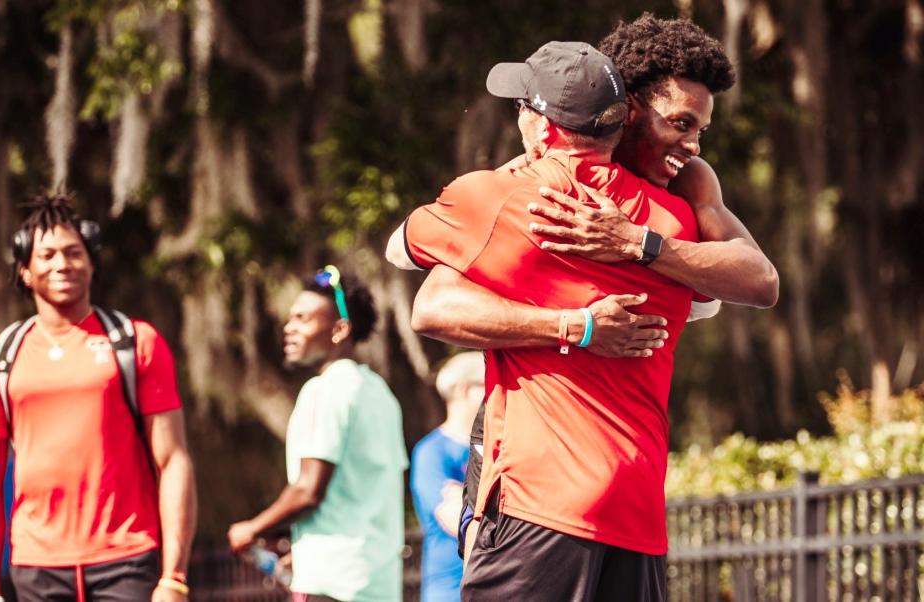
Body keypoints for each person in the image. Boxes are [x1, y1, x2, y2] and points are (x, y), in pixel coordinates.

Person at [389, 13, 779, 565]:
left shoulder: (688, 188)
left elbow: (762, 281)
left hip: (609, 491)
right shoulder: (530, 184)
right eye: (681, 124)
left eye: (701, 130)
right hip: (528, 464)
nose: (693, 144)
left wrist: (637, 243)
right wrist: (578, 324)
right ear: (630, 111)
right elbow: (429, 297)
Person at [0, 193, 197, 601]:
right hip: (37, 566)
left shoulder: (135, 342)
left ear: (91, 263)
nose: (62, 264)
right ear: (24, 270)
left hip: (127, 559)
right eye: (48, 254)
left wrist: (173, 577)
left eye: (74, 253)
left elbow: (173, 459)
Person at [227, 266, 409, 602]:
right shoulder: (380, 393)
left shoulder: (325, 389)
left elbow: (308, 491)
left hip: (332, 586)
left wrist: (251, 529)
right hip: (378, 585)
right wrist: (306, 549)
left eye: (302, 319)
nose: (289, 328)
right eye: (290, 318)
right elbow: (364, 494)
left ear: (339, 329)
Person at [410, 352, 484, 602]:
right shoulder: (432, 452)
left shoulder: (500, 450)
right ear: (464, 390)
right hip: (450, 593)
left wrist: (473, 503)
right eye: (488, 385)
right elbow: (456, 522)